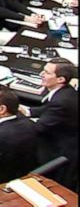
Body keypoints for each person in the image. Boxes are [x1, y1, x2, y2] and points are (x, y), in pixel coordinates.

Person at [21, 58, 77, 190]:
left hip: (59, 149)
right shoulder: (64, 91)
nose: (41, 74)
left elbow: (38, 128)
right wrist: (27, 111)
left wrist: (14, 119)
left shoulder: (61, 101)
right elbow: (48, 108)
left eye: (46, 72)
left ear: (60, 79)